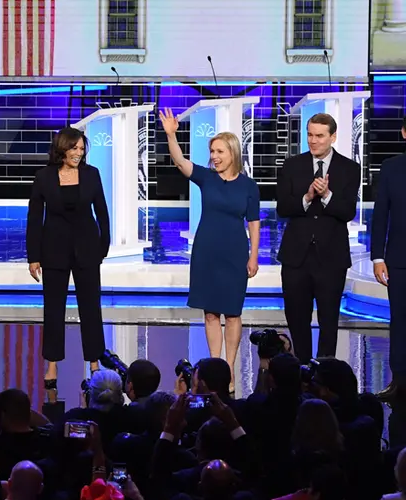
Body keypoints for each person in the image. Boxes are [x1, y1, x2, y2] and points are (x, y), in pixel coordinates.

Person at [160, 108, 260, 391]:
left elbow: (253, 222)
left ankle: (229, 370)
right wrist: (171, 134)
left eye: (219, 151)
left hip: (234, 252)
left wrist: (254, 256)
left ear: (232, 153)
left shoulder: (249, 186)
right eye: (212, 151)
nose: (214, 156)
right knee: (211, 312)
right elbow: (179, 161)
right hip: (207, 251)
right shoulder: (206, 178)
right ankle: (214, 367)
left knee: (233, 312)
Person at [26, 127, 109, 385]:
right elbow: (34, 218)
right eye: (74, 148)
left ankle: (95, 362)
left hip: (86, 249)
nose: (78, 153)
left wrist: (102, 247)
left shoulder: (92, 174)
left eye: (82, 149)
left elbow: (102, 213)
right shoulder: (43, 177)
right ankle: (52, 364)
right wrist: (33, 256)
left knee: (91, 308)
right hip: (53, 250)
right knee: (53, 309)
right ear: (62, 148)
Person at [276, 113, 360, 363]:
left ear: (333, 137)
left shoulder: (349, 168)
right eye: (310, 135)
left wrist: (327, 196)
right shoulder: (292, 166)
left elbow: (347, 212)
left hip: (331, 258)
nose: (313, 141)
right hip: (296, 257)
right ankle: (301, 371)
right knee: (297, 317)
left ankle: (324, 375)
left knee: (328, 319)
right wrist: (308, 197)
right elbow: (283, 208)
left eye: (320, 136)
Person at [372, 117, 406, 401]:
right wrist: (377, 258)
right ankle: (399, 382)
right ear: (404, 132)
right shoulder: (391, 168)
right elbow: (380, 214)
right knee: (400, 321)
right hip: (398, 258)